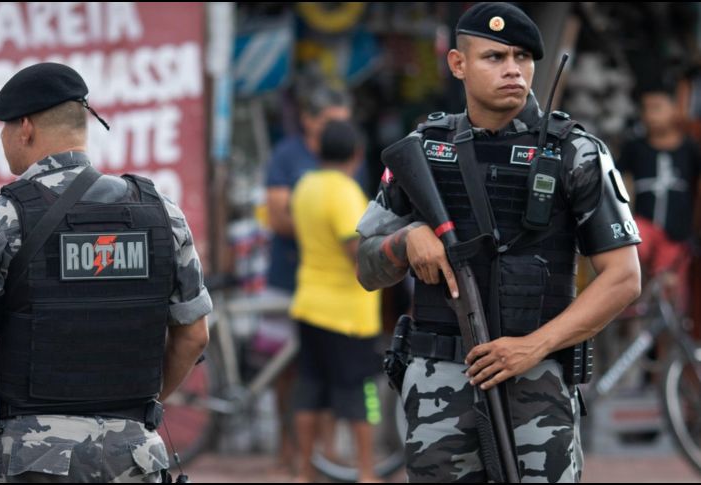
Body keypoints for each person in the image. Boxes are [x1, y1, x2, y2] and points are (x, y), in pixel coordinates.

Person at [355, 3, 642, 482]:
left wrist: (533, 346)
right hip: (439, 386)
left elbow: (624, 278)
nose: (513, 69)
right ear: (458, 64)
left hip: (537, 385)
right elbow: (365, 265)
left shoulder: (575, 153)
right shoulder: (424, 149)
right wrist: (406, 240)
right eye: (494, 57)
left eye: (522, 57)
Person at [0, 62, 211, 483]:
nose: (3, 139)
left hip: (34, 459)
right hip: (137, 457)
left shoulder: (2, 219)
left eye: (5, 129)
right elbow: (194, 335)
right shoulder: (163, 214)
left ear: (25, 128)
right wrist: (137, 408)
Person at [263, 81, 353, 469]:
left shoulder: (348, 153)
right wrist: (324, 226)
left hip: (334, 284)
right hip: (288, 277)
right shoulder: (286, 156)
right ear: (308, 120)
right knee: (285, 370)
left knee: (329, 367)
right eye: (331, 124)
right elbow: (277, 215)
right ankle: (288, 449)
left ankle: (325, 451)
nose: (338, 132)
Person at [290, 120, 381, 482]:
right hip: (348, 314)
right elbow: (355, 252)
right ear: (357, 155)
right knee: (363, 394)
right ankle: (367, 472)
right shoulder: (345, 192)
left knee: (310, 390)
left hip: (309, 303)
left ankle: (305, 472)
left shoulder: (306, 186)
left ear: (319, 150)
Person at [618, 86, 700, 313]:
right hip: (641, 227)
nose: (650, 115)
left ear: (675, 110)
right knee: (625, 275)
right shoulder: (634, 148)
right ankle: (626, 340)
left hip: (676, 236)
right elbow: (617, 180)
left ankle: (665, 345)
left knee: (670, 298)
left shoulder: (690, 150)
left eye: (657, 108)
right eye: (646, 109)